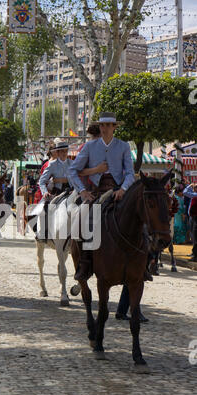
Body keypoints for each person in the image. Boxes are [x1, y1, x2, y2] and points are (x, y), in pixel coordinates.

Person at [68, 111, 135, 281]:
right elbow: (73, 171)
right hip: (97, 193)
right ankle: (84, 263)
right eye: (102, 125)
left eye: (108, 125)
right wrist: (83, 191)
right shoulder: (90, 147)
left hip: (118, 191)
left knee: (141, 215)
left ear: (114, 127)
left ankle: (146, 260)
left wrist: (124, 189)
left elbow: (130, 174)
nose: (104, 128)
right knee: (82, 219)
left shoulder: (124, 146)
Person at [183, 182, 197, 262]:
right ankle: (194, 252)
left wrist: (189, 186)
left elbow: (185, 192)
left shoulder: (195, 195)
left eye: (195, 187)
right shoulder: (194, 194)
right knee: (193, 235)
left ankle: (195, 254)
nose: (194, 188)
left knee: (194, 236)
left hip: (194, 217)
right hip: (192, 217)